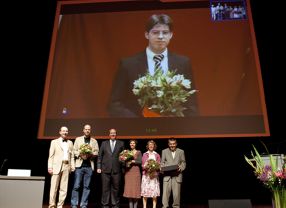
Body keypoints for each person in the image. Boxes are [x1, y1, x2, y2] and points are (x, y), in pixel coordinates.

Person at [108, 13, 198, 117]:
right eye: (155, 32)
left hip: (173, 128)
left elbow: (192, 104)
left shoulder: (183, 63)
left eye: (165, 32)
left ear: (171, 35)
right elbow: (114, 104)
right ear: (147, 34)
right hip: (138, 128)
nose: (160, 37)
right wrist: (139, 121)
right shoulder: (128, 64)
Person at [71, 124, 99, 208]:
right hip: (79, 166)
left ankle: (83, 204)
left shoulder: (94, 141)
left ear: (90, 130)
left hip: (89, 166)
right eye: (86, 129)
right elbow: (74, 151)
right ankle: (74, 204)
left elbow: (97, 152)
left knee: (87, 187)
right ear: (83, 130)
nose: (87, 130)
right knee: (76, 186)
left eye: (89, 129)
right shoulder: (78, 139)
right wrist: (80, 154)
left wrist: (90, 154)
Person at [47, 126, 75, 208]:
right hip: (56, 166)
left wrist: (72, 166)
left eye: (66, 131)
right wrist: (50, 167)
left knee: (64, 188)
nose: (65, 132)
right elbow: (51, 156)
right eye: (63, 131)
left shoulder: (70, 143)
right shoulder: (54, 142)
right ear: (60, 132)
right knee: (54, 187)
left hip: (66, 166)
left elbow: (72, 156)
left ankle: (60, 205)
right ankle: (52, 205)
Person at [97, 128, 125, 208]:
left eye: (114, 133)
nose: (113, 134)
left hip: (117, 170)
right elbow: (100, 156)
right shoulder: (104, 143)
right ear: (109, 135)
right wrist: (99, 166)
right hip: (105, 169)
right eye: (111, 133)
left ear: (116, 134)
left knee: (116, 188)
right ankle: (105, 204)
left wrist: (123, 168)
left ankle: (115, 204)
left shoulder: (121, 143)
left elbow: (123, 157)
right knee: (105, 188)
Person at [161, 138, 186, 208]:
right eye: (170, 144)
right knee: (165, 195)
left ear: (176, 144)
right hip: (167, 176)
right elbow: (162, 162)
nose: (172, 145)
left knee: (176, 195)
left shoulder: (181, 151)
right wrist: (163, 168)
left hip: (177, 175)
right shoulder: (164, 151)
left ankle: (176, 206)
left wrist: (181, 168)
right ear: (168, 144)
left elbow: (183, 162)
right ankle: (164, 206)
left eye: (173, 144)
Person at [141, 140, 161, 208]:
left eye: (152, 145)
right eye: (150, 145)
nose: (151, 146)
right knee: (145, 193)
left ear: (154, 146)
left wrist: (155, 167)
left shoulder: (157, 155)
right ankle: (144, 206)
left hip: (154, 176)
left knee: (154, 193)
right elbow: (142, 166)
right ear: (148, 146)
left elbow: (159, 166)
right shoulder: (144, 154)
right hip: (146, 176)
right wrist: (146, 166)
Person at [123, 140, 142, 208]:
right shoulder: (127, 152)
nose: (132, 144)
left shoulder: (138, 152)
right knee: (129, 190)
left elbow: (140, 162)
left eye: (133, 143)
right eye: (131, 143)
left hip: (136, 172)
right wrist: (124, 159)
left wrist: (133, 161)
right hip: (128, 172)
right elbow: (123, 161)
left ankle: (135, 206)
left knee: (135, 190)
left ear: (135, 144)